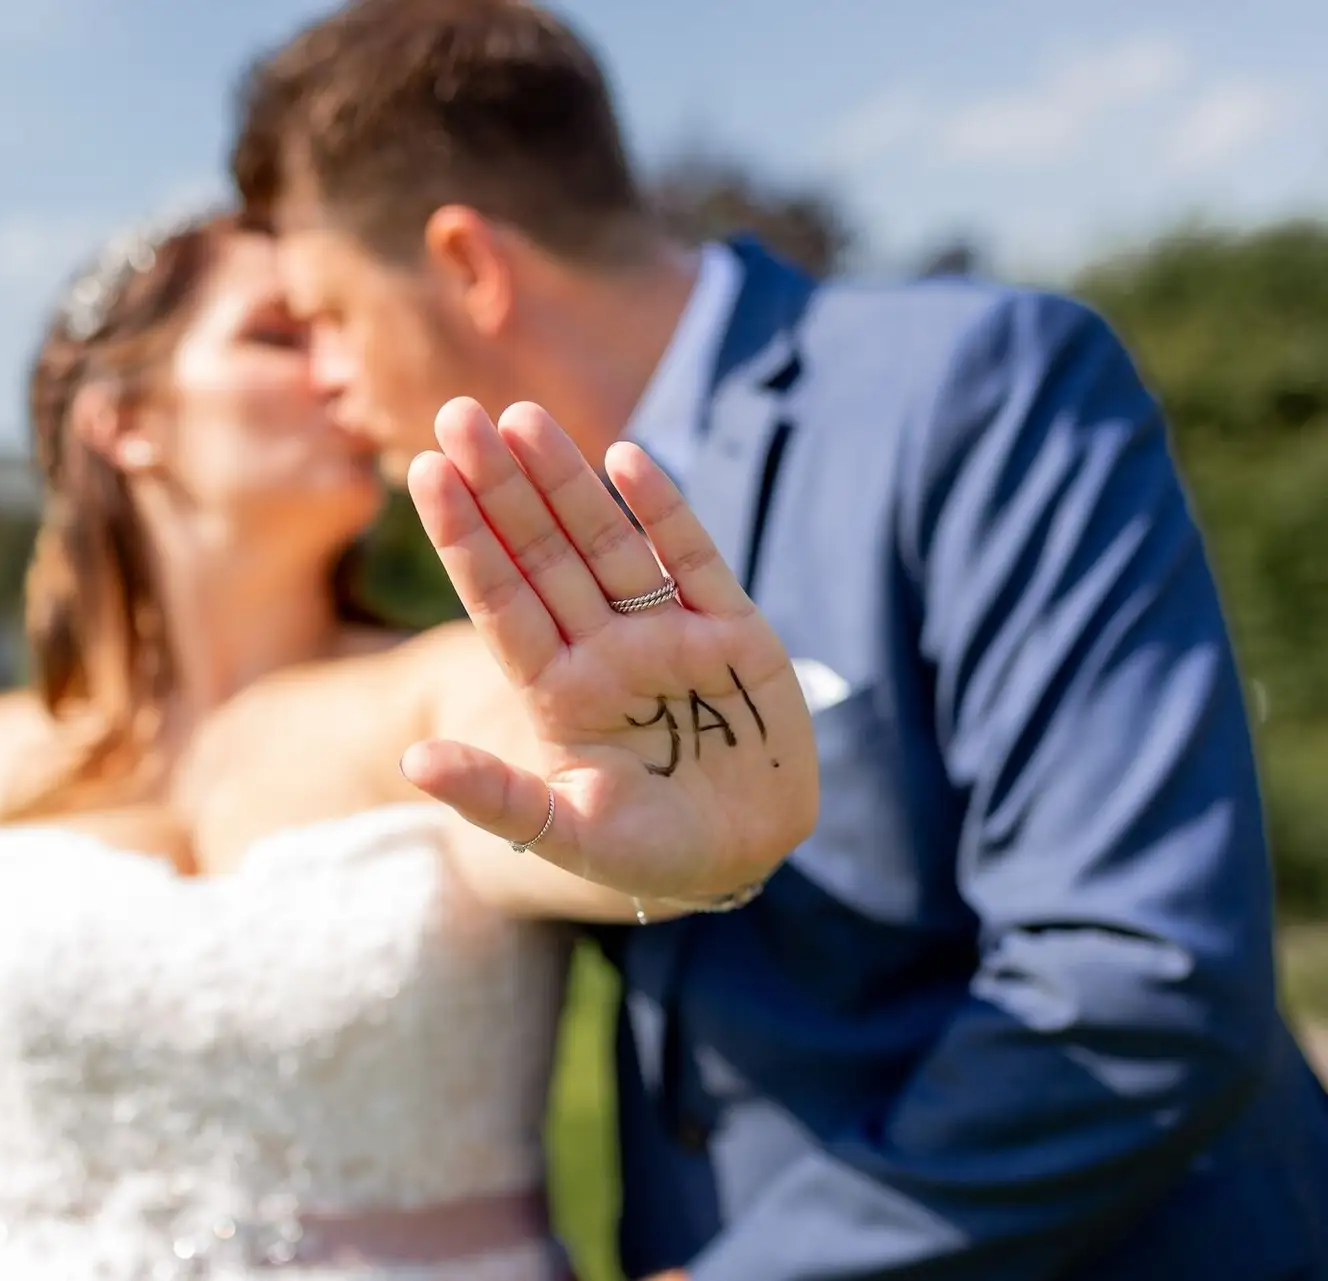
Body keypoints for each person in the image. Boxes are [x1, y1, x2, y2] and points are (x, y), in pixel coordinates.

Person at [227, 1, 1328, 1278]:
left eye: (326, 315)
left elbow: (1136, 971)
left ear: (469, 265)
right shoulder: (521, 570)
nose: (322, 380)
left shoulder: (977, 386)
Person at [0, 209, 818, 1279]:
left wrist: (702, 813)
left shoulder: (440, 689)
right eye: (280, 336)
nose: (340, 368)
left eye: (337, 327)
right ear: (122, 420)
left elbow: (588, 808)